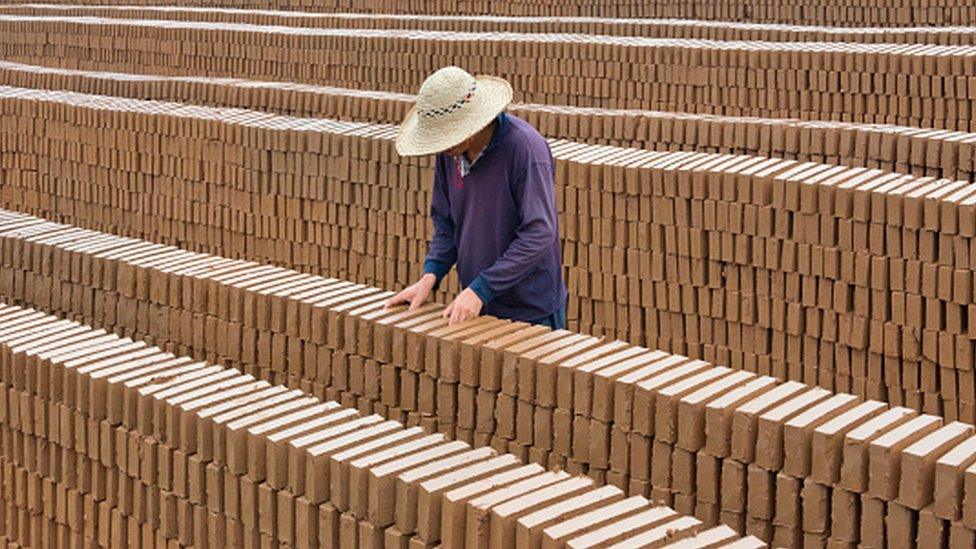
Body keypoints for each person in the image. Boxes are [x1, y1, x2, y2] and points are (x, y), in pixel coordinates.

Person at [386, 66, 567, 329]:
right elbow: (446, 224)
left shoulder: (525, 149)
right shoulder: (450, 154)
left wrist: (481, 288)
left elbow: (538, 233)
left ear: (470, 126)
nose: (443, 147)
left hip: (530, 309)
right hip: (481, 305)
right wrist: (430, 276)